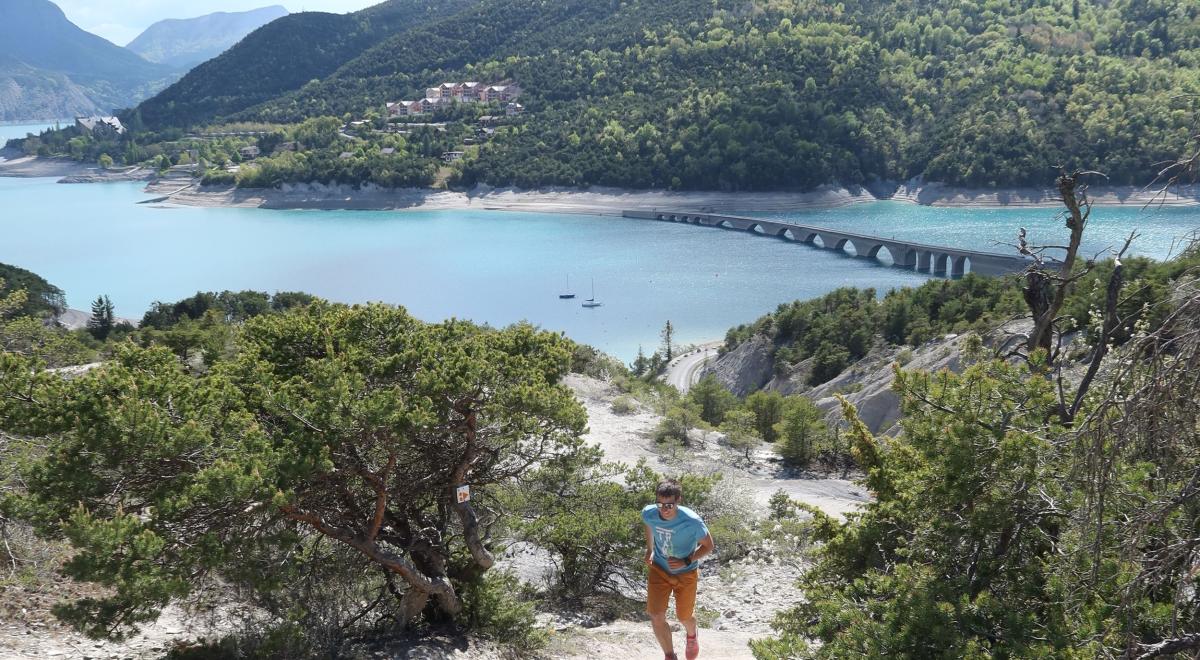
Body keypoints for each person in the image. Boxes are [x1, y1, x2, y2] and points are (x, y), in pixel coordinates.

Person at [643, 478, 715, 660]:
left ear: (678, 500)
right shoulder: (649, 513)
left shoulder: (691, 521)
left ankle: (692, 635)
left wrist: (686, 560)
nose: (664, 509)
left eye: (669, 505)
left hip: (686, 573)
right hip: (659, 569)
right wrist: (650, 550)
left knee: (684, 617)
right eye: (660, 504)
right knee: (656, 616)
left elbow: (709, 546)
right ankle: (670, 656)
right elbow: (648, 525)